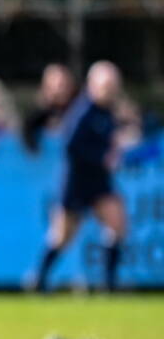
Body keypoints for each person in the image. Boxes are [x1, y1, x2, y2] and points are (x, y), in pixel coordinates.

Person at [32, 61, 130, 292]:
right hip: (77, 182)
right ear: (92, 85)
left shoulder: (107, 112)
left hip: (99, 182)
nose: (110, 90)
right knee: (62, 237)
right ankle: (39, 279)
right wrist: (102, 157)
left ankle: (109, 283)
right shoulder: (82, 111)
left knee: (117, 225)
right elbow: (71, 146)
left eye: (113, 85)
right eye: (106, 85)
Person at [22, 64, 78, 154]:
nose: (59, 91)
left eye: (62, 85)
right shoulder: (38, 115)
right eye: (54, 86)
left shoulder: (79, 109)